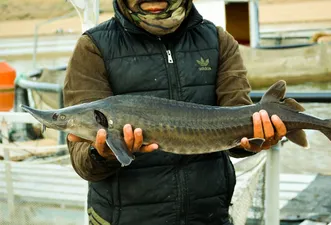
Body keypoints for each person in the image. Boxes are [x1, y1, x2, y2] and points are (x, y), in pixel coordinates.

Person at [63, 0, 287, 224]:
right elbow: (82, 160)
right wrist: (101, 154)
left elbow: (237, 124)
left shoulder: (218, 40)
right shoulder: (93, 46)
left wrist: (253, 141)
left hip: (208, 217)